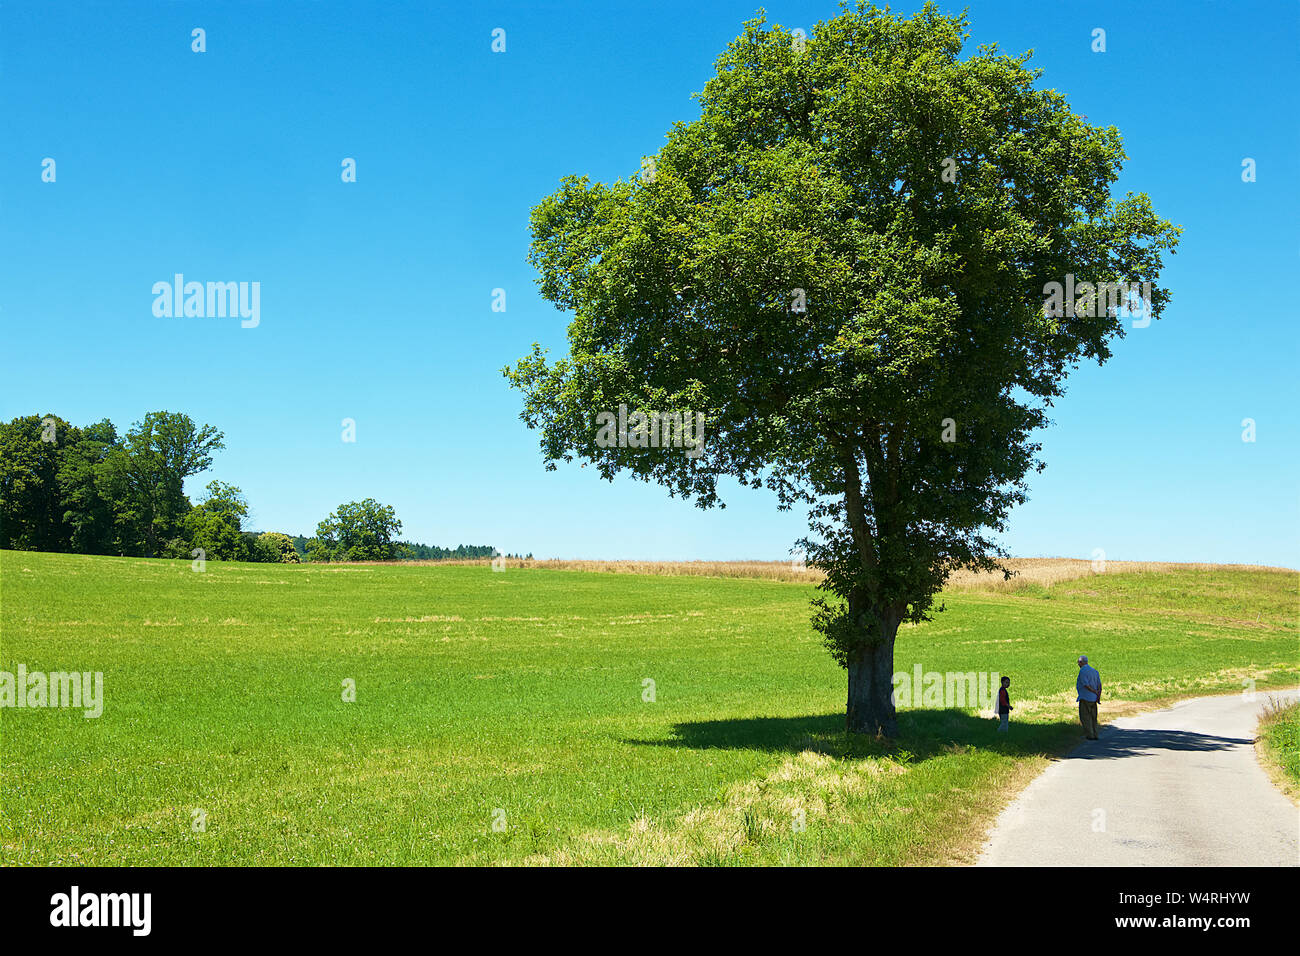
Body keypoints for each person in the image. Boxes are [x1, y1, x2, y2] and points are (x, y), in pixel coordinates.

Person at [1076, 655, 1102, 740]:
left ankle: (1090, 735)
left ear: (1081, 662)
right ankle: (1095, 734)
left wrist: (1093, 691)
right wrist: (1098, 695)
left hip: (1085, 697)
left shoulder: (1083, 671)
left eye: (1078, 662)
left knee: (1085, 717)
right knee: (1093, 717)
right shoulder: (1094, 671)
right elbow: (1099, 685)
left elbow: (1086, 684)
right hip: (1094, 698)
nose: (1078, 664)